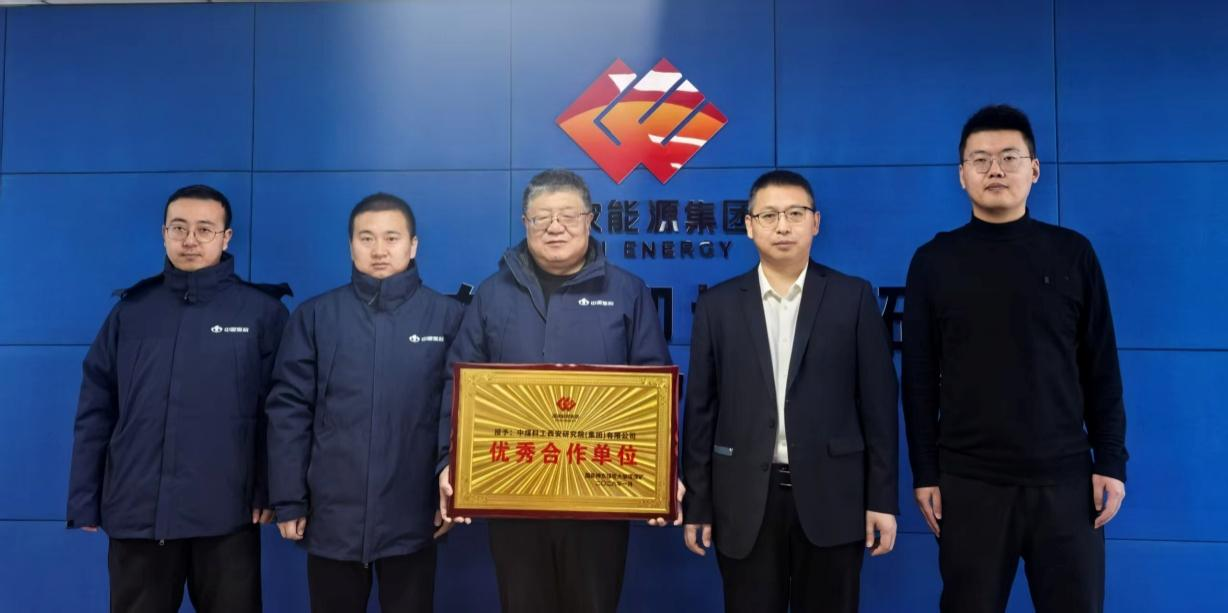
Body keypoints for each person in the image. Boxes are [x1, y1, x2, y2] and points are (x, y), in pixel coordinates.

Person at [903, 104, 1128, 612]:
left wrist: (1111, 461)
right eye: (980, 160)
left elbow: (1102, 367)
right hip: (969, 483)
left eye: (1009, 157)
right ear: (962, 174)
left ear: (1035, 169)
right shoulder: (934, 261)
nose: (995, 170)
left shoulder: (1073, 253)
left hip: (1067, 481)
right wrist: (925, 472)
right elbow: (918, 379)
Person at [436, 169, 672, 613]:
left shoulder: (627, 292)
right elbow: (458, 385)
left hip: (600, 495)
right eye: (541, 217)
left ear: (590, 219)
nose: (555, 227)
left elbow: (653, 384)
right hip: (512, 490)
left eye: (567, 215)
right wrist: (449, 463)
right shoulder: (492, 295)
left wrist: (661, 471)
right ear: (525, 223)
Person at [680, 170, 899, 613]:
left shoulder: (853, 297)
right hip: (744, 501)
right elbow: (700, 410)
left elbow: (879, 407)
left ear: (815, 222)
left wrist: (881, 500)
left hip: (834, 497)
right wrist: (698, 503)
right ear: (749, 225)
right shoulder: (718, 306)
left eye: (795, 214)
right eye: (769, 215)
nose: (782, 226)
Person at [66, 184, 290, 613]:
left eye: (205, 229)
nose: (190, 240)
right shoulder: (131, 312)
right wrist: (84, 498)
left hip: (227, 512)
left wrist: (271, 489)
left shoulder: (262, 313)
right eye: (179, 228)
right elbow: (96, 409)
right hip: (138, 511)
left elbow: (280, 414)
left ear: (226, 237)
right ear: (164, 233)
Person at [266, 193, 464, 613]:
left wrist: (453, 496)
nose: (379, 250)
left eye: (392, 238)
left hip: (414, 516)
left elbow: (459, 413)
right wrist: (288, 499)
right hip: (331, 519)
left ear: (413, 245)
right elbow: (288, 412)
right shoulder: (316, 317)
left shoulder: (449, 318)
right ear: (350, 245)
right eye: (366, 238)